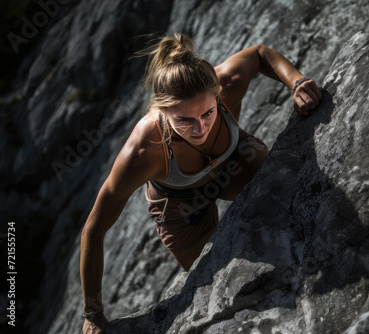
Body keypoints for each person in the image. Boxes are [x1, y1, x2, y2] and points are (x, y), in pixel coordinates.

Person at [80, 33, 322, 333]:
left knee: (269, 172)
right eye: (184, 120)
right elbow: (94, 229)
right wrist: (92, 313)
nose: (200, 128)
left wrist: (297, 82)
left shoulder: (227, 81)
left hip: (234, 165)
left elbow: (260, 54)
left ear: (218, 94)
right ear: (162, 112)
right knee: (221, 279)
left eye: (208, 113)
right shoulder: (144, 150)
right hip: (180, 208)